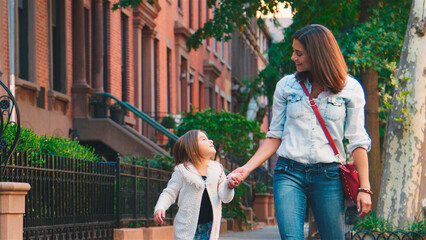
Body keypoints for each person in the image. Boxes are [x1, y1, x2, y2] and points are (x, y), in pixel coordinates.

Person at [230, 24, 372, 239]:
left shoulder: (350, 89)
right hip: (289, 173)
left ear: (317, 54)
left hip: (329, 176)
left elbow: (358, 141)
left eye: (299, 53)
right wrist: (246, 168)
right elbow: (274, 136)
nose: (293, 57)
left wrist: (365, 187)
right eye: (293, 51)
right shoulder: (286, 86)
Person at [154, 129, 242, 240]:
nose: (210, 141)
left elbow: (225, 197)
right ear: (193, 150)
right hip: (186, 229)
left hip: (209, 228)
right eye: (203, 139)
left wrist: (229, 186)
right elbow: (169, 193)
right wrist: (160, 207)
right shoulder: (182, 171)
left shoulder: (217, 170)